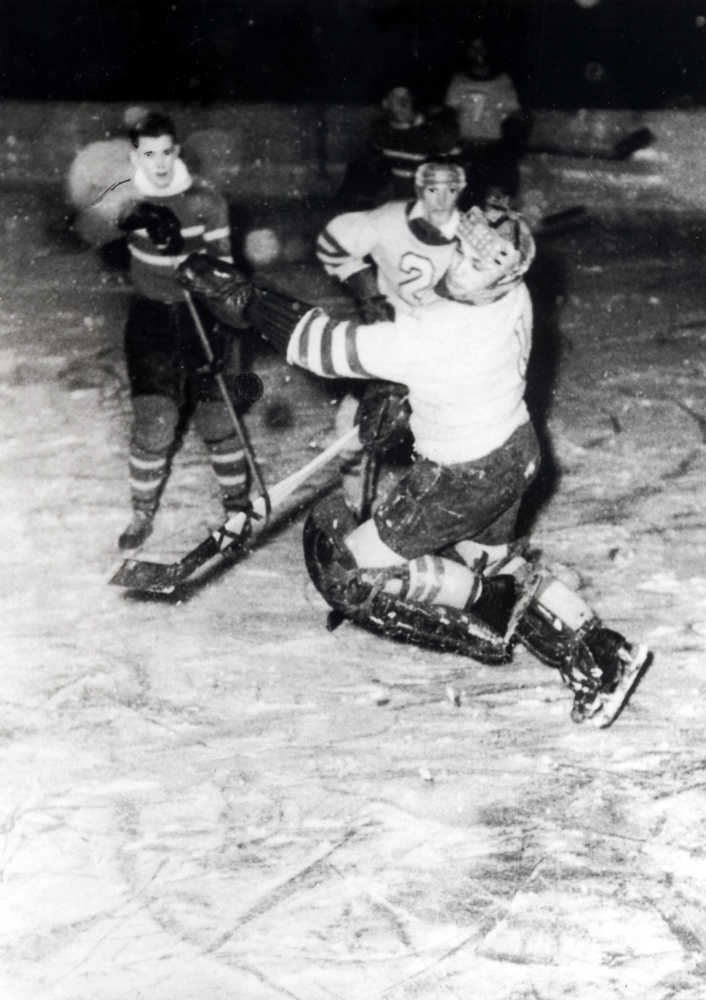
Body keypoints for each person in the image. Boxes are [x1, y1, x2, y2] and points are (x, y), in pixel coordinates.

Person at [178, 202, 649, 726]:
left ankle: (484, 610)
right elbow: (435, 363)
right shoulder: (513, 294)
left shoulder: (440, 332)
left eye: (479, 264)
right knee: (491, 559)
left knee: (350, 574)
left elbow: (323, 347)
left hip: (463, 473)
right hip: (513, 449)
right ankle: (604, 655)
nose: (463, 267)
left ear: (505, 273)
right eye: (464, 253)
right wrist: (402, 391)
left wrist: (246, 299)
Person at [74, 111, 252, 550]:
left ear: (177, 152)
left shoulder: (204, 199)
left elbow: (226, 270)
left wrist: (191, 264)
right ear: (136, 154)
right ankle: (140, 514)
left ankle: (238, 510)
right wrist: (138, 213)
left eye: (166, 153)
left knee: (217, 417)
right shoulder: (124, 192)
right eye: (148, 154)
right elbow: (86, 228)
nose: (159, 163)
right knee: (155, 420)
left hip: (203, 314)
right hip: (151, 319)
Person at [444, 37, 528, 207]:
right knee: (465, 202)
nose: (478, 53)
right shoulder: (459, 80)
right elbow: (449, 114)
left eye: (482, 48)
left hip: (494, 150)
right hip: (465, 149)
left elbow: (515, 116)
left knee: (495, 203)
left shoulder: (502, 81)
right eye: (473, 48)